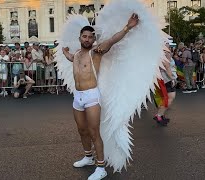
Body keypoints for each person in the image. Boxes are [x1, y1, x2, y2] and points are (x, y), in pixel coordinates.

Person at [62, 13, 139, 180]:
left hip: (91, 96)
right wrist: (64, 51)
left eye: (90, 37)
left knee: (94, 132)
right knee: (82, 131)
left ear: (93, 39)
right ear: (80, 38)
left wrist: (128, 27)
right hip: (78, 96)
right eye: (85, 36)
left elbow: (112, 40)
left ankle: (101, 167)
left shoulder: (97, 52)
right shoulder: (76, 55)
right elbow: (70, 59)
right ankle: (88, 158)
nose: (87, 39)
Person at [153, 43, 177, 126]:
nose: (168, 45)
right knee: (170, 97)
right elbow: (167, 67)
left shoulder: (162, 53)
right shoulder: (164, 53)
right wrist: (172, 78)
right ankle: (159, 115)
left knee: (167, 98)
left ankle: (161, 115)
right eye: (166, 44)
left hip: (164, 79)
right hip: (166, 79)